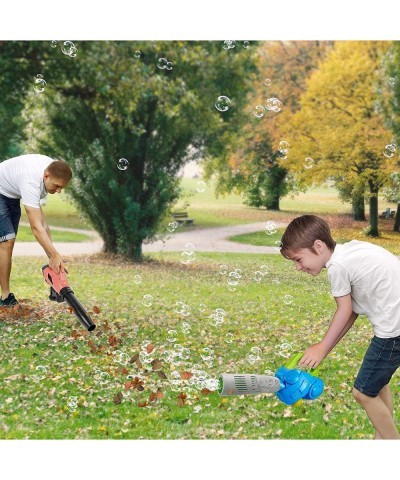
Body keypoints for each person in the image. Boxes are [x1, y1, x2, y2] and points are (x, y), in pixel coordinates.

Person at [280, 214, 400, 439]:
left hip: (394, 331)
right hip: (396, 326)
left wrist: (322, 348)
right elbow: (352, 312)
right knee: (378, 384)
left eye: (298, 259)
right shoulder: (350, 252)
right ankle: (381, 438)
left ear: (318, 246)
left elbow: (344, 311)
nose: (298, 267)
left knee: (363, 393)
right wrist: (324, 348)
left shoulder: (337, 267)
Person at [0, 154, 72, 306]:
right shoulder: (31, 182)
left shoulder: (49, 171)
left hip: (12, 194)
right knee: (7, 240)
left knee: (8, 243)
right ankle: (5, 297)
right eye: (57, 186)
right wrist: (53, 254)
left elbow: (44, 226)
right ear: (46, 176)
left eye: (62, 187)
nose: (59, 191)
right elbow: (36, 228)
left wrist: (53, 259)